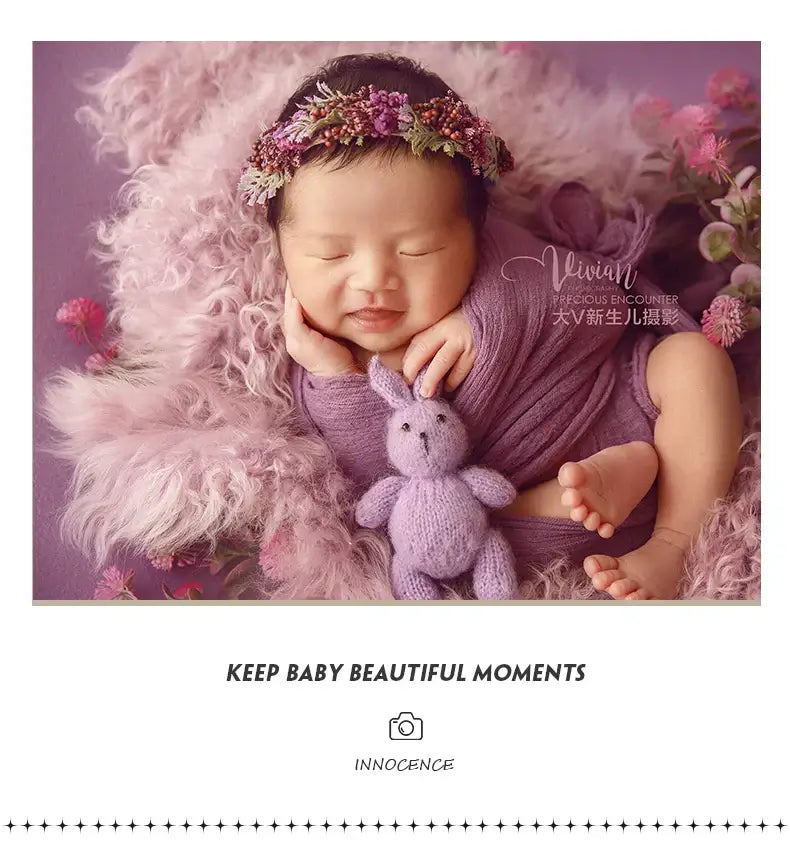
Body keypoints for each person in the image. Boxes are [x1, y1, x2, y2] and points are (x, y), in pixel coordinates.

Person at [240, 52, 743, 600]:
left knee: (694, 360)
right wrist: (337, 379)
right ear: (283, 250)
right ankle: (614, 479)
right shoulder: (327, 364)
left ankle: (672, 540)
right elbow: (376, 483)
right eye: (330, 255)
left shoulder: (509, 263)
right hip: (525, 510)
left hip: (615, 403)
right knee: (449, 530)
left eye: (417, 251)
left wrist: (490, 316)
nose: (372, 280)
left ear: (476, 233)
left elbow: (602, 302)